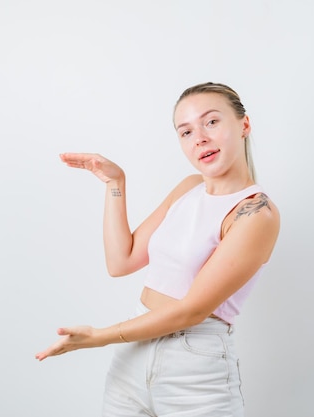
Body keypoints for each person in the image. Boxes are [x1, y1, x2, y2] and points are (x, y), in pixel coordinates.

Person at [35, 82, 280, 417]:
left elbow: (191, 310)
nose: (200, 138)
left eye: (211, 122)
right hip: (132, 358)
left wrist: (100, 336)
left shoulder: (255, 213)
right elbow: (122, 260)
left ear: (244, 125)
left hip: (195, 371)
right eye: (186, 131)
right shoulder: (189, 188)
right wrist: (115, 184)